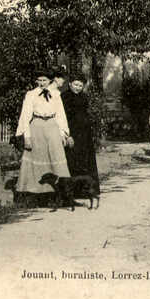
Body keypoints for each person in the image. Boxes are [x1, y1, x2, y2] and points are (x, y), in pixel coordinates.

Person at [15, 67, 71, 203]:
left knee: (55, 156)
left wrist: (63, 133)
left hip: (52, 126)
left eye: (44, 80)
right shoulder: (31, 94)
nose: (41, 83)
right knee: (37, 157)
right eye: (39, 80)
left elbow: (60, 115)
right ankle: (36, 194)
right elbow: (25, 116)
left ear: (50, 80)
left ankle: (58, 194)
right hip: (37, 127)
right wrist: (26, 136)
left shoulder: (56, 94)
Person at [60, 72, 100, 196]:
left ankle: (87, 190)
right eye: (75, 84)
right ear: (70, 83)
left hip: (84, 133)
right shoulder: (64, 97)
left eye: (80, 85)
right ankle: (74, 191)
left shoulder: (83, 96)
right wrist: (67, 135)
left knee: (86, 160)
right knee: (73, 160)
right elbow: (63, 117)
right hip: (72, 132)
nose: (77, 87)